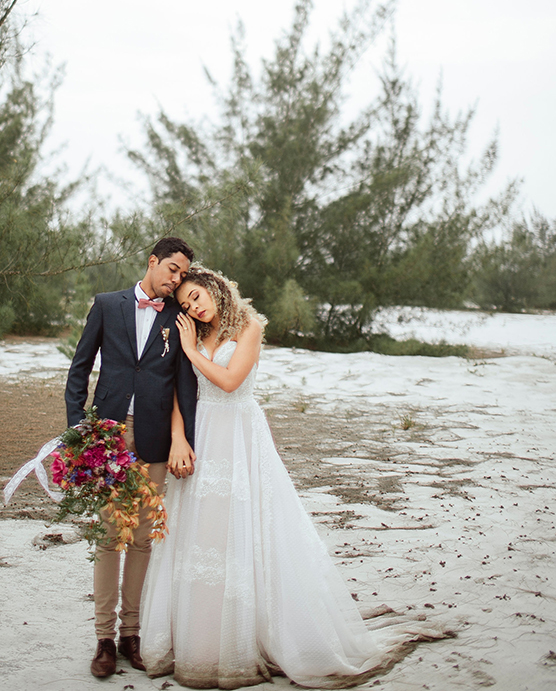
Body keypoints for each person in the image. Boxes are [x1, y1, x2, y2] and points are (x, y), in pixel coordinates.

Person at [140, 265, 445, 689]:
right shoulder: (192, 330)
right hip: (201, 432)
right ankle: (197, 636)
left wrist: (191, 352)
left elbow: (229, 382)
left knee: (245, 529)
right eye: (187, 302)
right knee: (199, 532)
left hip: (239, 435)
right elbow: (181, 391)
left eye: (198, 297)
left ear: (215, 288)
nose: (195, 306)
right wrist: (179, 438)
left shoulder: (248, 327)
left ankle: (248, 636)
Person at [64, 237, 198, 679]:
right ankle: (103, 638)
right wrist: (78, 431)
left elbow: (184, 385)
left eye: (182, 275)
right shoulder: (107, 304)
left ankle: (131, 635)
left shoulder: (178, 318)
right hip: (110, 434)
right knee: (109, 534)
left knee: (142, 537)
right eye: (172, 270)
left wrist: (186, 441)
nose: (176, 280)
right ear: (152, 261)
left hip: (157, 439)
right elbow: (80, 367)